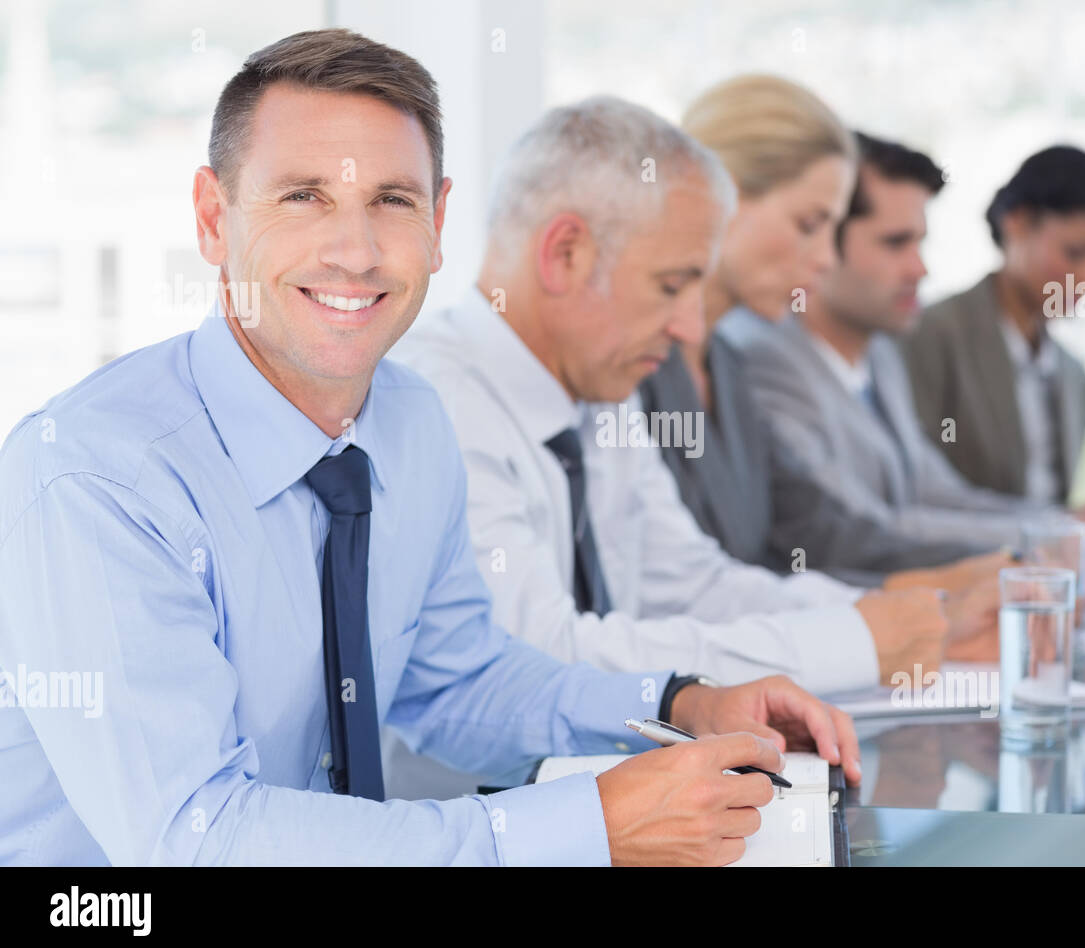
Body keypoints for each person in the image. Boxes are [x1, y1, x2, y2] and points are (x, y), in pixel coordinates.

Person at [0, 29, 862, 867]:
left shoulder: (410, 420)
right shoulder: (94, 476)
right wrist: (588, 826)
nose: (356, 251)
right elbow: (200, 838)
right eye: (303, 196)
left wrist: (679, 702)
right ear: (211, 219)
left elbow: (458, 683)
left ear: (440, 220)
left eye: (393, 200)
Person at [395, 95, 956, 700]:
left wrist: (869, 617)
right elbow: (541, 658)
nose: (691, 327)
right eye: (671, 285)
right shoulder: (439, 401)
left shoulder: (602, 388)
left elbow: (690, 584)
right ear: (565, 254)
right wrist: (851, 645)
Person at [739, 133, 1085, 598]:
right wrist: (1061, 542)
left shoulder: (883, 356)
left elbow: (935, 492)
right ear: (823, 238)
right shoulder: (768, 361)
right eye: (895, 243)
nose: (919, 270)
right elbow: (857, 531)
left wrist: (1065, 525)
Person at [643, 75, 1011, 592]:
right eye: (808, 224)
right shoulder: (633, 367)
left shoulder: (726, 366)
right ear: (720, 190)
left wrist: (982, 576)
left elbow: (820, 527)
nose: (824, 258)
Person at [902, 145, 1085, 507]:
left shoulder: (1072, 374)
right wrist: (1058, 530)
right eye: (1076, 252)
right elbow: (917, 500)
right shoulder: (929, 336)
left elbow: (1048, 506)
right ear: (1016, 222)